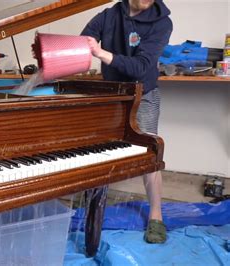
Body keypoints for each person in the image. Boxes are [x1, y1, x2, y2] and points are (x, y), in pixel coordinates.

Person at [81, 0, 173, 244]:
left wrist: (100, 53)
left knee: (149, 154)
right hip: (112, 94)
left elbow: (142, 67)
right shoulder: (107, 16)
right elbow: (82, 43)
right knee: (101, 150)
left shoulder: (162, 23)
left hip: (144, 93)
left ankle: (156, 215)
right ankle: (92, 209)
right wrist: (51, 49)